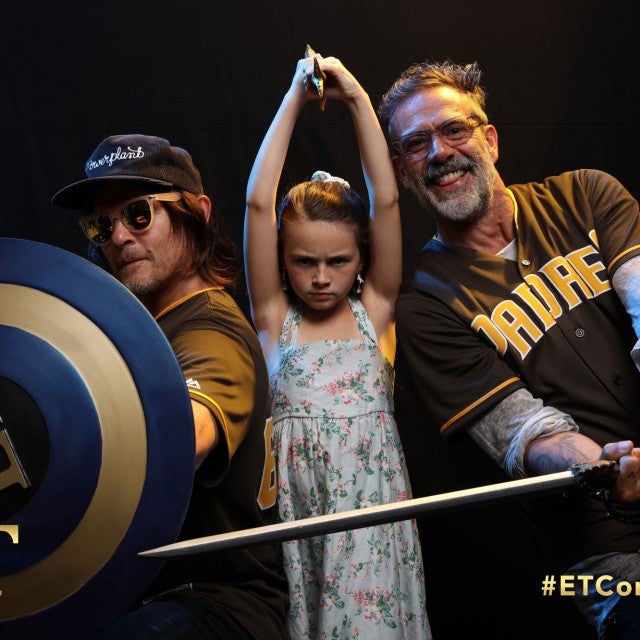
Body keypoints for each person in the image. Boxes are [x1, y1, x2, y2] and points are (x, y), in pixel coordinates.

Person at [377, 59, 640, 639]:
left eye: (455, 129)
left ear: (490, 140)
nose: (439, 152)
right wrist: (606, 469)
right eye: (416, 144)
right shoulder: (424, 307)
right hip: (601, 554)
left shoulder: (586, 193)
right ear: (402, 172)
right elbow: (528, 435)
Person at [51, 133, 289, 639]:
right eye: (101, 224)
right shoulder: (141, 334)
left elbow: (183, 437)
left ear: (196, 213)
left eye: (138, 214)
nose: (118, 237)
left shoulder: (211, 330)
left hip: (218, 604)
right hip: (140, 596)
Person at [244, 51, 431, 639]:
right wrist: (294, 98)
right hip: (302, 521)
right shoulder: (274, 320)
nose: (321, 278)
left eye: (339, 261)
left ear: (362, 259)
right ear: (282, 259)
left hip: (373, 526)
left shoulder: (375, 310)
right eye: (303, 262)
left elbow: (387, 200)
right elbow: (258, 204)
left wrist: (355, 98)